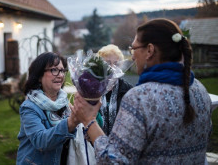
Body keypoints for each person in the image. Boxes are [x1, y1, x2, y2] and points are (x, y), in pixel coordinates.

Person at [71, 18, 212, 164]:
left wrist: (89, 121)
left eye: (134, 48)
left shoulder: (140, 98)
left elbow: (113, 161)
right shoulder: (199, 89)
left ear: (150, 50)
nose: (132, 56)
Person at [16, 52, 79, 165]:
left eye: (62, 70)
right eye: (54, 70)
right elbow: (41, 141)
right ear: (39, 76)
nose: (60, 75)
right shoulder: (29, 107)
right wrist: (71, 122)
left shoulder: (63, 101)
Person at [97, 44, 132, 135]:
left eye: (116, 63)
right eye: (108, 63)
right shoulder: (91, 89)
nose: (112, 67)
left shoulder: (128, 90)